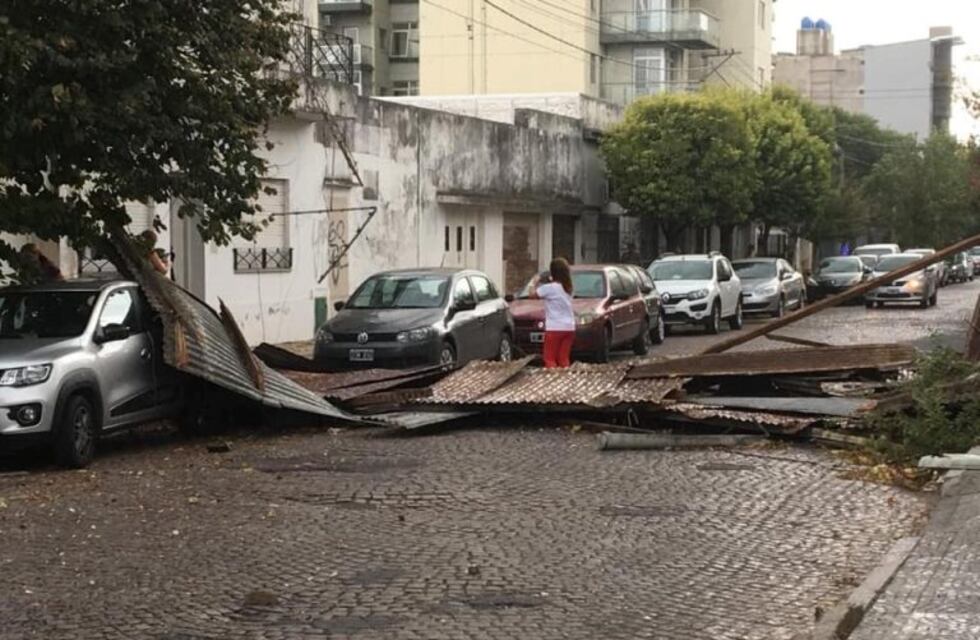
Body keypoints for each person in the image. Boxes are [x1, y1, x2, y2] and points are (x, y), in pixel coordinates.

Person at [530, 258, 575, 369]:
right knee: (563, 358)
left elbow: (532, 295)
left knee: (549, 359)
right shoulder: (568, 288)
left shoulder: (549, 288)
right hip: (569, 327)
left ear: (553, 272)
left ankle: (553, 381)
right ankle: (565, 379)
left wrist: (534, 282)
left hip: (554, 327)